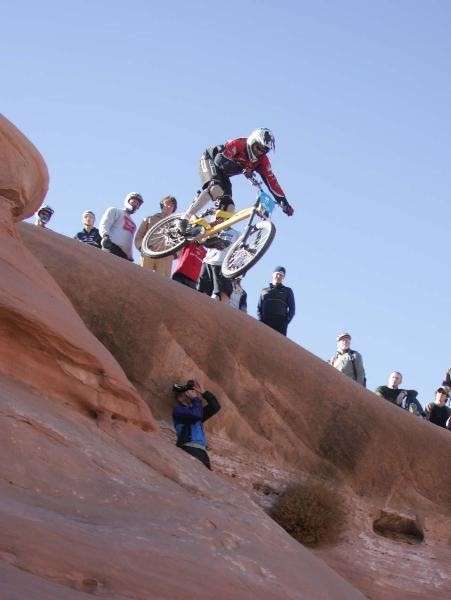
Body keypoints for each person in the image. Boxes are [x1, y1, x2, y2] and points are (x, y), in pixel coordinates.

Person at [177, 128, 294, 235]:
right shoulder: (239, 144)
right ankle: (185, 218)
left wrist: (284, 203)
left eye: (264, 151)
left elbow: (272, 182)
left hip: (224, 174)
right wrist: (241, 168)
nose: (259, 153)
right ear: (252, 141)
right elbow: (219, 161)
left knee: (229, 208)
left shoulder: (262, 161)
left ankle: (209, 234)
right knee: (216, 189)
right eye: (258, 148)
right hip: (210, 160)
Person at [172, 379, 221, 470]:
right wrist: (196, 399)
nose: (190, 394)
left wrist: (204, 392)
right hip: (188, 448)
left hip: (201, 452)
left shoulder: (196, 411)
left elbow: (215, 407)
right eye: (187, 393)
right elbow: (196, 415)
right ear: (180, 397)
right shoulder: (178, 410)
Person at [197, 203, 239, 302]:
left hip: (222, 265)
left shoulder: (236, 234)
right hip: (208, 262)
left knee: (219, 295)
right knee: (201, 292)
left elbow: (234, 250)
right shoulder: (214, 228)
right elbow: (200, 240)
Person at [135, 195, 178, 275]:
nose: (169, 206)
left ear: (174, 208)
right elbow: (138, 236)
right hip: (148, 253)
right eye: (167, 203)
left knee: (162, 283)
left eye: (172, 205)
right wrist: (142, 248)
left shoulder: (177, 224)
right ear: (162, 205)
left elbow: (180, 241)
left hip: (166, 257)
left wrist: (174, 255)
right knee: (142, 277)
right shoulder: (149, 219)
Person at [99, 192, 143, 261]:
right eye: (134, 201)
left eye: (137, 204)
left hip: (124, 255)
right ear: (127, 200)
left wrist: (130, 255)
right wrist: (105, 236)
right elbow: (105, 223)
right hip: (111, 246)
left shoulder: (134, 225)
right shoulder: (115, 211)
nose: (135, 205)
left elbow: (129, 240)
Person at [257, 266, 295, 335]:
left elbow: (292, 309)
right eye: (277, 274)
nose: (279, 276)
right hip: (265, 321)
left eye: (281, 275)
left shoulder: (287, 290)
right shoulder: (264, 290)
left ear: (283, 277)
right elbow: (259, 307)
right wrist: (260, 319)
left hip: (280, 323)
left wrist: (285, 322)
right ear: (273, 274)